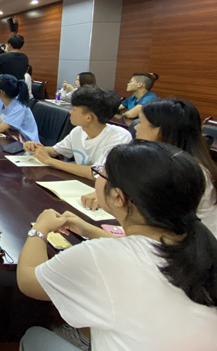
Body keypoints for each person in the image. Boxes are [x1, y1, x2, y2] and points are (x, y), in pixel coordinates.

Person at [17, 141, 217, 351]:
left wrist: (40, 229)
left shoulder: (101, 257)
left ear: (118, 197)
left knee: (33, 336)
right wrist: (90, 231)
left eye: (100, 174)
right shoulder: (200, 246)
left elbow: (28, 281)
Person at [82, 99, 217, 236]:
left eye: (140, 122)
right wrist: (108, 193)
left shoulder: (186, 173)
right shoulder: (159, 161)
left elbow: (158, 233)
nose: (136, 128)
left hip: (194, 243)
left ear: (159, 131)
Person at [23, 85, 131, 180]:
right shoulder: (79, 130)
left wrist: (50, 161)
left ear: (88, 117)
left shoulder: (119, 137)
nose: (70, 112)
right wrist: (36, 148)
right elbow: (55, 151)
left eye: (74, 109)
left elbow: (97, 173)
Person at [0, 74, 39, 142]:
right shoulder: (0, 101)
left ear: (1, 91)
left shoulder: (19, 107)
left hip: (26, 144)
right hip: (10, 137)